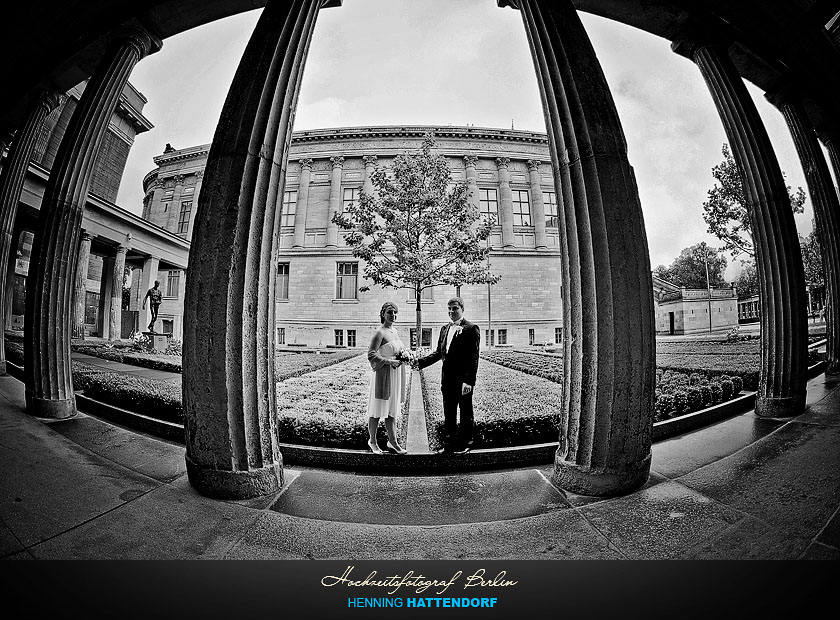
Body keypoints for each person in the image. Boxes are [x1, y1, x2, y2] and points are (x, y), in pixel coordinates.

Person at [417, 297, 480, 454]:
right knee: (449, 412)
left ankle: (467, 443)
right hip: (447, 379)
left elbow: (473, 357)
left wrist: (469, 381)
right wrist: (419, 363)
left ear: (462, 309)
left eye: (455, 308)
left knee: (465, 411)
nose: (451, 312)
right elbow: (439, 352)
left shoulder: (471, 328)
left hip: (463, 381)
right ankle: (449, 445)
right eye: (449, 309)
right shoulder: (445, 329)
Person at [366, 301, 409, 454]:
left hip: (395, 374)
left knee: (392, 409)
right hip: (383, 375)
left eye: (395, 312)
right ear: (383, 313)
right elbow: (371, 354)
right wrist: (389, 361)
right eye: (390, 312)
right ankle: (372, 441)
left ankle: (393, 442)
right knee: (377, 408)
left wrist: (405, 357)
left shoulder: (395, 331)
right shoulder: (380, 332)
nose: (393, 315)